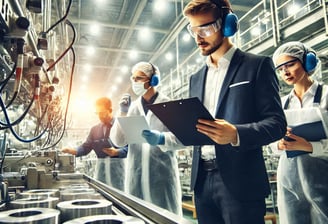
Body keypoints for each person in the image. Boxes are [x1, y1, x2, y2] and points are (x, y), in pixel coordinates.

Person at [142, 1, 287, 223]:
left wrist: (236, 134)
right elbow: (196, 129)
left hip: (241, 183)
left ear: (228, 25)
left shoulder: (257, 66)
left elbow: (276, 124)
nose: (198, 37)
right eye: (193, 30)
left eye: (206, 29)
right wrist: (166, 137)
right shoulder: (196, 78)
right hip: (202, 182)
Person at [109, 62, 183, 216]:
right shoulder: (132, 108)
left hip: (161, 178)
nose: (135, 82)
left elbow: (181, 138)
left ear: (153, 80)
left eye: (139, 78)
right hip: (136, 177)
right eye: (133, 78)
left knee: (163, 218)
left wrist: (162, 139)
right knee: (137, 217)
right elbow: (118, 141)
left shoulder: (167, 104)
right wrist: (122, 113)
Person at [270, 41, 328, 224]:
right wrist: (278, 144)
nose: (285, 72)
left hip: (323, 176)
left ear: (307, 62)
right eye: (280, 68)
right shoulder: (280, 103)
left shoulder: (326, 95)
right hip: (289, 180)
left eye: (290, 64)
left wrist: (310, 146)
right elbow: (272, 146)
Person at [62, 97, 128, 190]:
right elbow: (86, 147)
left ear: (110, 110)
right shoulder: (95, 130)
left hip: (118, 172)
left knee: (120, 198)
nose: (100, 116)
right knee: (102, 196)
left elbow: (130, 148)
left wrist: (117, 152)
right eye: (98, 113)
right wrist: (73, 151)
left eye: (102, 113)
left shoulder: (121, 126)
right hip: (101, 173)